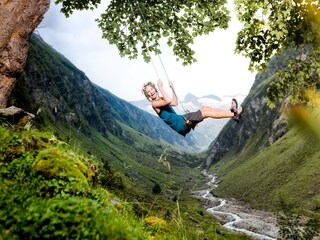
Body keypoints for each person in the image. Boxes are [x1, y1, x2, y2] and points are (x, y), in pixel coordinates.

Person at [142, 80, 244, 137]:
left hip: (182, 121)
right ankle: (234, 114)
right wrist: (161, 87)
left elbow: (174, 102)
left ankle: (231, 112)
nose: (151, 92)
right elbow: (168, 101)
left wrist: (172, 89)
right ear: (148, 95)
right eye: (148, 92)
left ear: (154, 89)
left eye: (151, 89)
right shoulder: (154, 104)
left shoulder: (162, 99)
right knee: (205, 113)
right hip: (181, 123)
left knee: (205, 108)